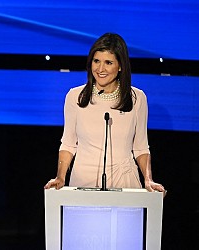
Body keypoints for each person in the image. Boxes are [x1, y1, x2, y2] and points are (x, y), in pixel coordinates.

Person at [44, 33, 166, 195]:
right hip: (83, 182)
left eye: (108, 62)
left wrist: (148, 179)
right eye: (96, 61)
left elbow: (141, 147)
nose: (100, 69)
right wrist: (60, 177)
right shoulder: (75, 96)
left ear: (120, 65)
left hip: (125, 183)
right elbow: (68, 143)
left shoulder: (137, 98)